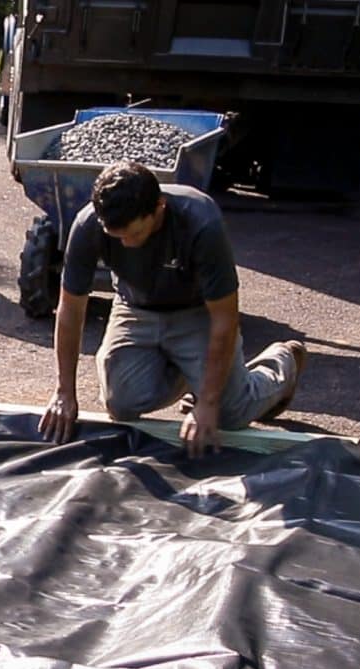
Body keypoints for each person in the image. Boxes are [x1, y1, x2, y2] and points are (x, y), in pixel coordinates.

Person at [39, 161, 307, 456]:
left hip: (196, 312)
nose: (127, 245)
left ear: (159, 208)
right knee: (121, 403)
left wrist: (207, 402)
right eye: (117, 237)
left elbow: (224, 318)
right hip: (135, 308)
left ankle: (282, 361)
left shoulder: (200, 222)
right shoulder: (88, 223)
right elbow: (71, 309)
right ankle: (195, 373)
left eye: (135, 234)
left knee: (228, 414)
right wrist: (64, 391)